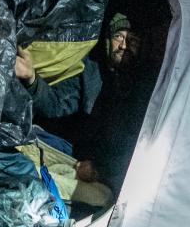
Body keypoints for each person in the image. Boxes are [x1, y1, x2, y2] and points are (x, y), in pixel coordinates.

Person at [14, 12, 142, 186]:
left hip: (111, 163)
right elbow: (55, 104)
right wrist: (32, 79)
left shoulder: (139, 83)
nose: (123, 46)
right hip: (70, 152)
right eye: (118, 37)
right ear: (107, 40)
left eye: (131, 40)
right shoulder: (88, 71)